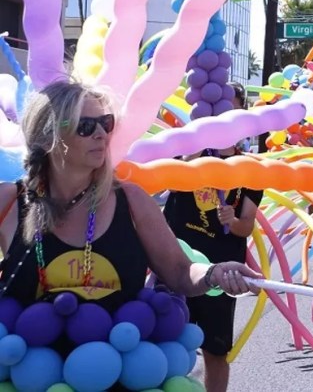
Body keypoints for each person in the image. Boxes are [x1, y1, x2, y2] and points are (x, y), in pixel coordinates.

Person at [0, 81, 258, 358]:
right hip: (27, 375)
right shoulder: (9, 201)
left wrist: (213, 273)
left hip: (119, 375)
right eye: (86, 125)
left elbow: (181, 272)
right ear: (49, 134)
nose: (100, 134)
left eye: (105, 123)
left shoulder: (132, 201)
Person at [163, 81, 263, 392]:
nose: (222, 114)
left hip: (222, 274)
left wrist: (233, 222)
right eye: (215, 108)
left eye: (228, 107)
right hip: (175, 265)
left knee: (216, 351)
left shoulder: (250, 169)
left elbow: (247, 225)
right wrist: (201, 138)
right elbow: (176, 177)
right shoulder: (191, 152)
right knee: (166, 346)